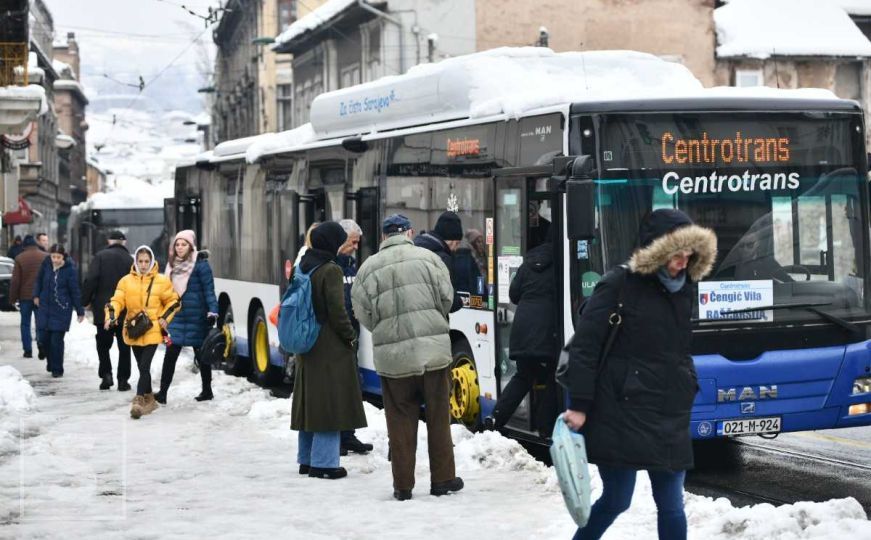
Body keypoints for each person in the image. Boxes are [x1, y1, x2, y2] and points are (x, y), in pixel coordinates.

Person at [563, 209, 716, 540]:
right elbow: (585, 349)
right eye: (675, 255)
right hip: (621, 411)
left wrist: (686, 380)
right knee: (617, 499)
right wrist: (580, 404)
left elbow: (678, 348)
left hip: (669, 411)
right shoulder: (618, 285)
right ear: (656, 250)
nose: (682, 262)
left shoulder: (685, 289)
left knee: (672, 504)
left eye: (689, 255)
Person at [352, 214, 463, 501]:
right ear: (409, 233)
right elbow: (447, 299)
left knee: (400, 421)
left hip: (393, 359)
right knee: (439, 417)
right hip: (433, 356)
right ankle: (443, 480)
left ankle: (403, 486)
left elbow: (362, 312)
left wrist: (383, 328)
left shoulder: (368, 268)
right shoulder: (430, 259)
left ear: (384, 237)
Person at [290, 221, 367, 480]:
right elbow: (337, 311)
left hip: (307, 341)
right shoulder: (330, 269)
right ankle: (324, 464)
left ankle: (307, 459)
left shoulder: (304, 264)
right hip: (328, 344)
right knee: (329, 403)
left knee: (310, 401)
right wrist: (350, 336)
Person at [485, 236, 558, 435]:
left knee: (523, 376)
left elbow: (514, 294)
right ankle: (545, 427)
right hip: (547, 330)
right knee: (555, 375)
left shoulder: (528, 264)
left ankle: (496, 417)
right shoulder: (561, 263)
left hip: (523, 328)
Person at [106, 246, 180, 419]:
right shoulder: (125, 281)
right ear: (135, 262)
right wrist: (111, 316)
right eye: (140, 261)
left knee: (144, 366)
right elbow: (116, 300)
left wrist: (165, 318)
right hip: (134, 330)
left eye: (147, 261)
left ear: (152, 261)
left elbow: (174, 302)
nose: (144, 265)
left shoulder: (162, 281)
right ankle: (150, 398)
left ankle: (139, 400)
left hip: (153, 329)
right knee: (141, 367)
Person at [155, 230, 219, 404]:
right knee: (171, 354)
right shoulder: (171, 265)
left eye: (183, 244)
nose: (180, 248)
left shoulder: (201, 265)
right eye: (177, 244)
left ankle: (207, 390)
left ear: (191, 246)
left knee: (202, 355)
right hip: (176, 316)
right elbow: (165, 292)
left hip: (197, 317)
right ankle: (163, 392)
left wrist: (212, 311)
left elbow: (209, 290)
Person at [336, 219, 374, 456]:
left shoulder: (350, 265)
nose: (356, 248)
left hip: (351, 334)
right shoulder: (331, 266)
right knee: (339, 388)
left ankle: (348, 435)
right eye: (353, 242)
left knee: (352, 387)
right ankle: (338, 437)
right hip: (337, 336)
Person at [81, 230, 134, 391]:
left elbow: (91, 279)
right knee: (124, 346)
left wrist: (85, 301)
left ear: (109, 241)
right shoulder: (130, 259)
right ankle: (123, 380)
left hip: (103, 309)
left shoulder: (100, 257)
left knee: (103, 345)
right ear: (124, 242)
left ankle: (106, 375)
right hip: (124, 309)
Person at [32, 245, 85, 377]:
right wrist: (36, 295)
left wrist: (79, 310)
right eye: (53, 257)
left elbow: (75, 291)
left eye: (58, 257)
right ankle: (51, 362)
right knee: (44, 339)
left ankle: (57, 369)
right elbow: (38, 281)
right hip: (45, 307)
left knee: (56, 340)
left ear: (63, 257)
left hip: (62, 309)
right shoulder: (46, 265)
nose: (55, 260)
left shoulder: (70, 270)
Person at [414, 210, 464, 312]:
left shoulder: (415, 249)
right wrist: (460, 301)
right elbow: (449, 300)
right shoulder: (443, 258)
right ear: (450, 240)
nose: (456, 248)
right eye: (457, 243)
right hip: (432, 319)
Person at [9, 235, 48, 359]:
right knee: (40, 322)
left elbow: (15, 281)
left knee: (25, 323)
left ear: (24, 246)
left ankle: (27, 350)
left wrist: (12, 298)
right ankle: (41, 344)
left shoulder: (19, 258)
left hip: (24, 296)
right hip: (40, 296)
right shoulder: (45, 257)